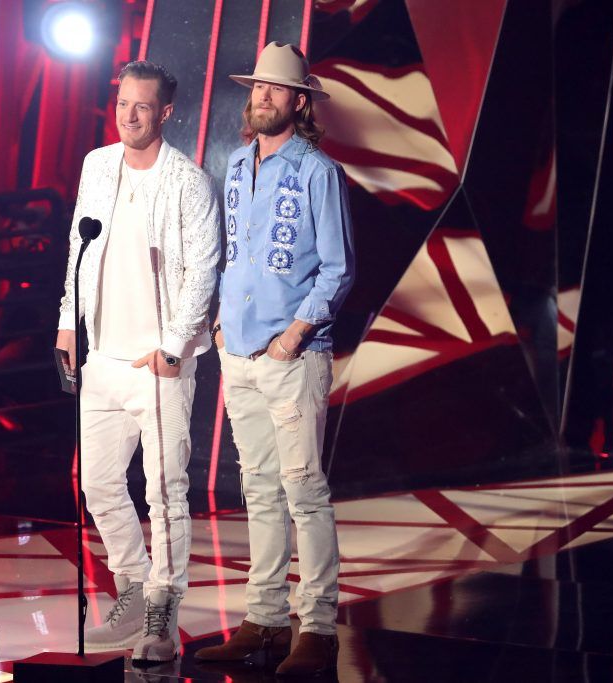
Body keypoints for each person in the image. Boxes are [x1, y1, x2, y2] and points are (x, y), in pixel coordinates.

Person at [194, 42, 355, 677]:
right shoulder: (235, 165)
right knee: (258, 489)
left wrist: (294, 334)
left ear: (299, 101)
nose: (263, 96)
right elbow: (236, 252)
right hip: (239, 350)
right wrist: (221, 316)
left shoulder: (319, 172)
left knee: (304, 491)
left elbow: (338, 269)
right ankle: (263, 619)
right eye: (257, 87)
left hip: (293, 353)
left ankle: (316, 627)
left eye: (276, 89)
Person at [55, 60, 220, 663]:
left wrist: (174, 346)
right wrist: (68, 323)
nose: (128, 115)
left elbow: (204, 271)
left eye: (141, 106)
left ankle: (162, 612)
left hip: (159, 363)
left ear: (165, 113)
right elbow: (80, 244)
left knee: (164, 491)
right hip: (102, 357)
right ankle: (132, 587)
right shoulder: (97, 165)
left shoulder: (188, 183)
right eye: (123, 103)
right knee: (97, 484)